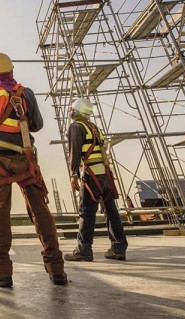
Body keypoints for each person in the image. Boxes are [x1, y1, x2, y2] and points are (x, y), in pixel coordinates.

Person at [0, 52, 66, 287]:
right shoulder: (27, 93)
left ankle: (1, 271)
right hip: (25, 157)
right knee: (40, 210)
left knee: (0, 211)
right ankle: (56, 269)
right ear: (11, 70)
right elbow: (38, 125)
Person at [65, 98, 128, 261]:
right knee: (111, 211)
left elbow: (75, 152)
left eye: (72, 109)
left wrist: (73, 174)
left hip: (92, 175)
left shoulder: (76, 127)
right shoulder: (94, 127)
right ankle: (119, 247)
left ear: (77, 111)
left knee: (86, 211)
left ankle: (84, 250)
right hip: (105, 175)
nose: (71, 112)